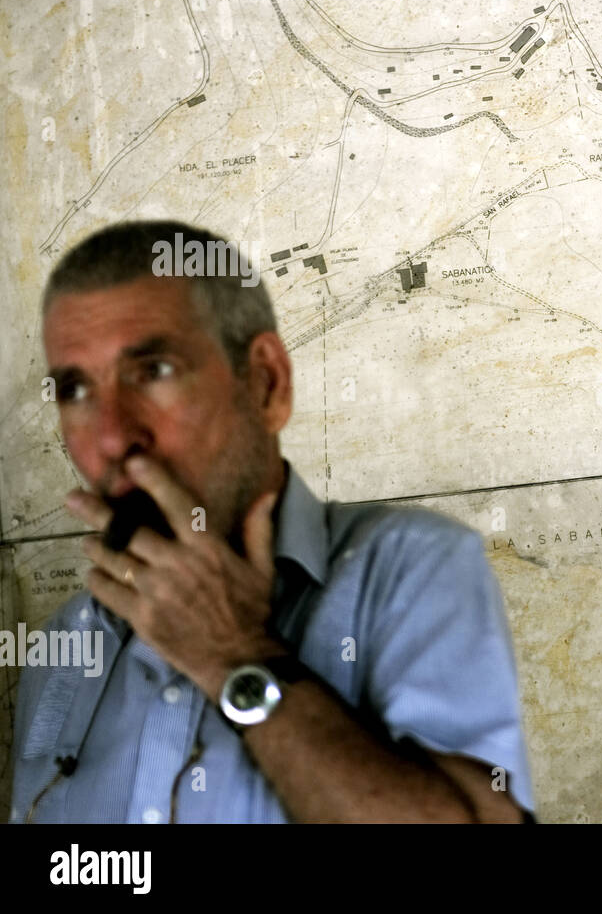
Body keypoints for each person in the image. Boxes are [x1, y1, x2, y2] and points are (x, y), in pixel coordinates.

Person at [9, 220, 535, 823]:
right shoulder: (63, 645)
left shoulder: (411, 568)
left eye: (153, 371)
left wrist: (234, 655)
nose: (111, 436)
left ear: (266, 384)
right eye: (75, 389)